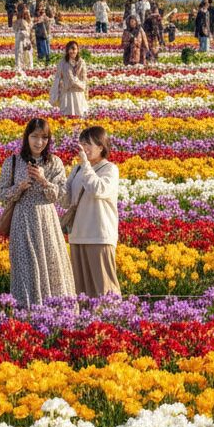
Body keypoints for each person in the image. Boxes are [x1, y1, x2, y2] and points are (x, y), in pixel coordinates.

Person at [0, 118, 75, 307]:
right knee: (25, 266)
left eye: (44, 137)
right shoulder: (13, 162)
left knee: (51, 263)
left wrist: (43, 180)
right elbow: (1, 194)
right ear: (27, 137)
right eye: (34, 137)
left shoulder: (54, 162)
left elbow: (59, 194)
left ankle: (56, 310)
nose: (39, 142)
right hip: (22, 219)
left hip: (46, 220)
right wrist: (20, 187)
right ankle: (26, 310)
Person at [63, 125, 121, 298]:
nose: (84, 147)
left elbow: (98, 189)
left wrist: (86, 165)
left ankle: (112, 320)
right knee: (82, 291)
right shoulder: (77, 169)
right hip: (77, 235)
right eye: (82, 143)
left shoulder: (109, 169)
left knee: (104, 288)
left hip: (99, 235)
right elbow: (67, 200)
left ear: (101, 147)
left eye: (88, 144)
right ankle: (86, 322)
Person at [52, 40, 88, 116]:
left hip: (78, 93)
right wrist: (56, 92)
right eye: (70, 49)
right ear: (67, 50)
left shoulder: (82, 62)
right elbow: (58, 78)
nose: (72, 51)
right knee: (67, 115)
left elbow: (84, 78)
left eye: (74, 49)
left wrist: (85, 90)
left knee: (79, 114)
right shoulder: (62, 62)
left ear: (78, 50)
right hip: (67, 93)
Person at [14, 8, 34, 73]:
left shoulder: (29, 22)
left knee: (28, 54)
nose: (25, 15)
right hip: (19, 40)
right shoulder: (18, 22)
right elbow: (15, 30)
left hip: (27, 40)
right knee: (19, 53)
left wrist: (31, 40)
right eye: (24, 14)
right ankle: (19, 67)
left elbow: (31, 32)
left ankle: (29, 68)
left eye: (26, 14)